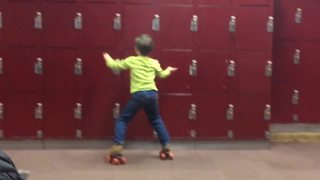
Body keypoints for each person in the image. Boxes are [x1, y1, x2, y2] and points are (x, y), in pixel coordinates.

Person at [103, 34, 178, 165]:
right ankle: (166, 146)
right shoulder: (154, 62)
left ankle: (117, 148)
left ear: (136, 49)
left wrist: (107, 58)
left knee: (123, 119)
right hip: (153, 94)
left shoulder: (133, 60)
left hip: (139, 95)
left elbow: (115, 66)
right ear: (151, 50)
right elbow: (161, 75)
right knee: (156, 119)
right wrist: (169, 70)